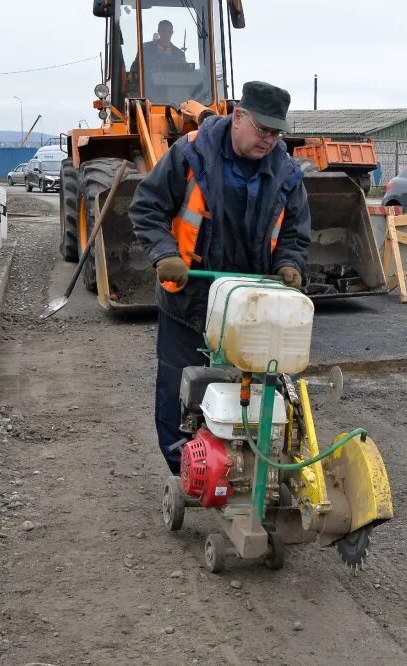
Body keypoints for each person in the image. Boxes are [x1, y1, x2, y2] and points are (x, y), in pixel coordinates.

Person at [130, 81, 310, 474]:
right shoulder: (191, 154)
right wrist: (164, 253)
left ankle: (245, 468)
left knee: (253, 392)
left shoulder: (287, 173)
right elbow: (146, 206)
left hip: (252, 306)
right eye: (262, 130)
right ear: (238, 117)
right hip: (191, 297)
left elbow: (295, 233)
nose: (269, 139)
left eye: (276, 132)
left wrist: (290, 263)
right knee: (183, 388)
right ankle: (186, 471)